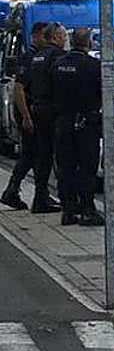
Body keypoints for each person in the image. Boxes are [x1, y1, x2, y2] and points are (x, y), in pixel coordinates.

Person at [51, 27, 103, 227]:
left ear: (71, 41)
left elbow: (49, 90)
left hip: (63, 121)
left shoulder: (58, 65)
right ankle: (87, 210)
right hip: (86, 122)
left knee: (65, 168)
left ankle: (68, 211)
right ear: (88, 42)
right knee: (87, 168)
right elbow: (103, 94)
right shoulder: (93, 66)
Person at [1, 22, 53, 210]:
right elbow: (19, 88)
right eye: (44, 36)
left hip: (33, 111)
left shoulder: (39, 56)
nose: (46, 40)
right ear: (36, 36)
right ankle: (13, 191)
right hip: (29, 111)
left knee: (36, 154)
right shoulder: (29, 57)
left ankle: (36, 194)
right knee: (32, 154)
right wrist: (26, 116)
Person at [23, 23, 67, 214]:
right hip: (53, 111)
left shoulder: (37, 57)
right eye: (63, 36)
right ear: (55, 37)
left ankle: (40, 198)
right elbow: (62, 84)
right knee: (61, 157)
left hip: (38, 109)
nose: (65, 40)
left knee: (43, 157)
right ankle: (66, 200)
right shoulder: (58, 56)